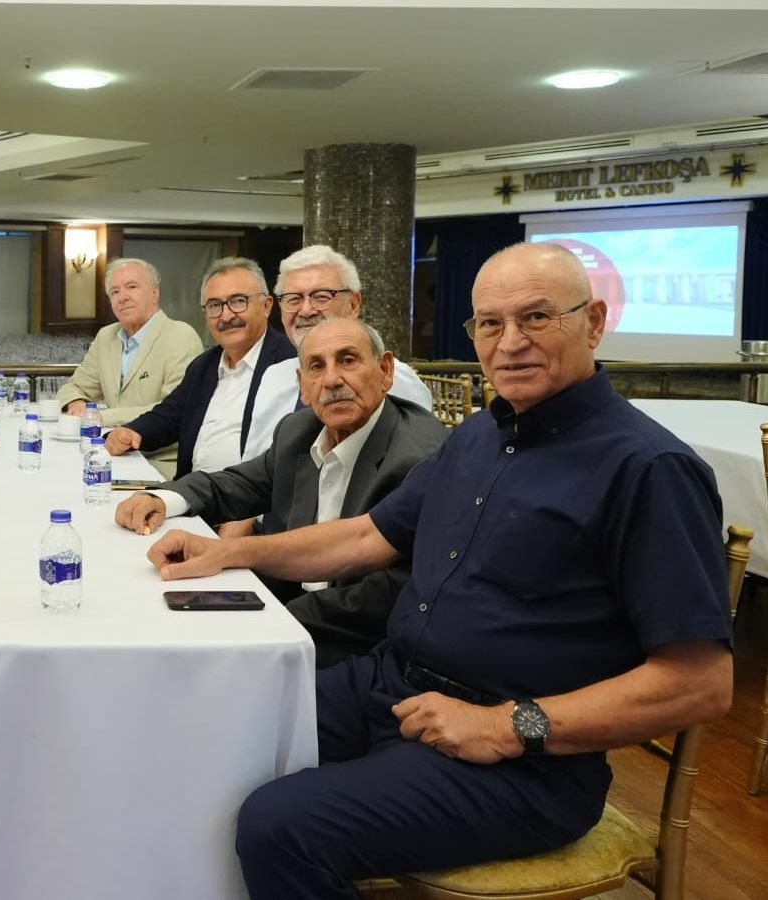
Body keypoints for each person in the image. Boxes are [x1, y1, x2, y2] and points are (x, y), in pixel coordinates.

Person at [145, 243, 733, 898]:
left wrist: (506, 725)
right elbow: (367, 535)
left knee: (279, 825)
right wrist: (230, 552)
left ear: (593, 322)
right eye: (490, 323)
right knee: (207, 731)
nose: (510, 342)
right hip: (393, 688)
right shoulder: (480, 435)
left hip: (522, 764)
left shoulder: (649, 468)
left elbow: (701, 685)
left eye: (536, 317)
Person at [113, 318, 446, 667]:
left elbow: (391, 591)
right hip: (290, 606)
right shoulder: (299, 430)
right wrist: (162, 498)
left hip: (362, 646)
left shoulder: (417, 455)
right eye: (316, 367)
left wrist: (271, 617)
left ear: (385, 370)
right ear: (302, 386)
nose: (332, 380)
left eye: (348, 360)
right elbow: (241, 483)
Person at [102, 257, 297, 478]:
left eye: (238, 301)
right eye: (214, 305)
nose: (226, 315)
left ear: (266, 306)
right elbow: (169, 416)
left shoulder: (289, 364)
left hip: (249, 496)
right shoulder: (205, 365)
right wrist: (131, 431)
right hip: (192, 490)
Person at [248, 245, 432, 433]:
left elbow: (419, 447)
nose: (305, 310)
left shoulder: (389, 378)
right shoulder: (273, 378)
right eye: (294, 299)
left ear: (353, 305)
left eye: (321, 297)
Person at [55, 257, 203, 427]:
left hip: (156, 444)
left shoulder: (181, 336)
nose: (122, 297)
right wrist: (75, 402)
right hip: (108, 440)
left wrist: (102, 417)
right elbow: (75, 387)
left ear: (155, 293)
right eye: (114, 292)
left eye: (132, 287)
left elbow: (173, 408)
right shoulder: (106, 337)